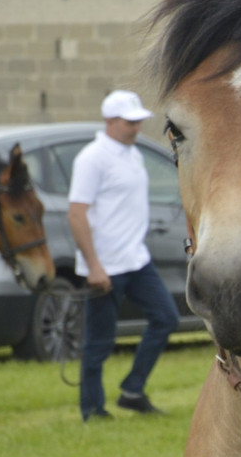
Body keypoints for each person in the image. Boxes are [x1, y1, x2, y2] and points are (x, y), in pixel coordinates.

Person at [68, 90, 179, 421]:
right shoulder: (92, 158)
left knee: (166, 317)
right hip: (106, 266)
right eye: (130, 123)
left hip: (136, 259)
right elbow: (76, 214)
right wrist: (94, 266)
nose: (136, 128)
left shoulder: (132, 153)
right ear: (111, 122)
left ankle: (133, 390)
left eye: (138, 122)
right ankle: (92, 409)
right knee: (98, 342)